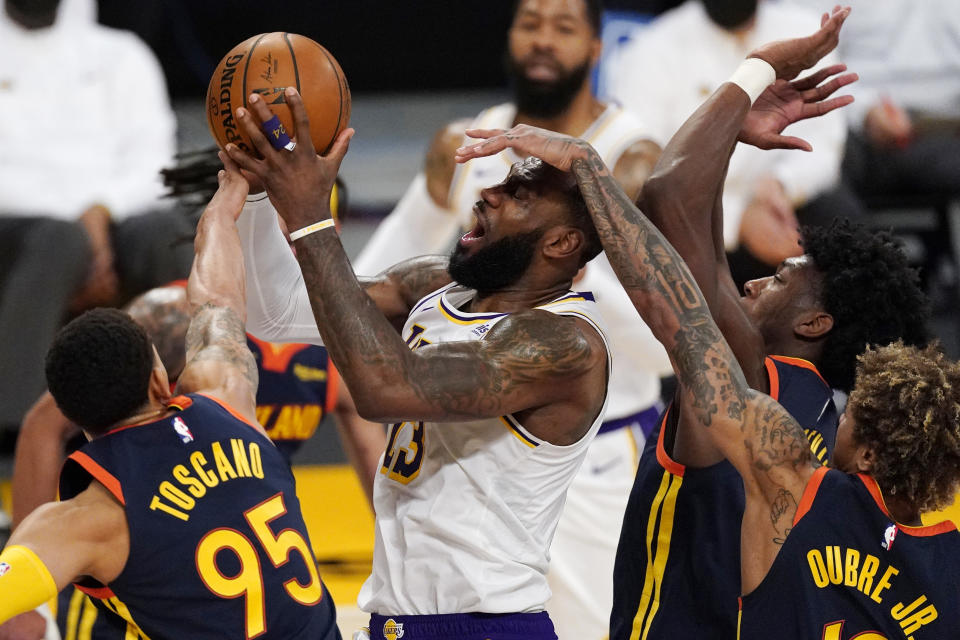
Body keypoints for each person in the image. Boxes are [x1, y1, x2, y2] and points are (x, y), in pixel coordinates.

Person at [458, 9, 960, 635]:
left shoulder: (753, 376)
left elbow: (670, 197)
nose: (754, 280)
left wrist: (754, 76)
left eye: (780, 279)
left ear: (813, 324)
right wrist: (731, 138)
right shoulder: (820, 423)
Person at [226, 83, 611, 639]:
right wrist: (261, 190)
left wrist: (311, 218)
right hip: (395, 620)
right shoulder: (436, 288)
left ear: (560, 243)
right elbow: (275, 313)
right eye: (500, 180)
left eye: (518, 195)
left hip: (484, 625)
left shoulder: (563, 345)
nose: (489, 194)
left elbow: (387, 389)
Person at [352, 2, 667, 634]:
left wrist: (546, 276)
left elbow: (665, 339)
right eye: (530, 23)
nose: (543, 41)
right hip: (462, 431)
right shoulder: (462, 144)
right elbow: (374, 276)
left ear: (597, 48)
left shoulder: (631, 161)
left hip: (596, 451)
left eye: (564, 26)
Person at [0, 168, 341, 639]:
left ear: (72, 417)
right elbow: (217, 297)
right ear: (162, 380)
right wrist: (226, 204)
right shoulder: (228, 400)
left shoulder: (81, 523)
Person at [0, 0, 192, 439]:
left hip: (111, 219)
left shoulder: (122, 54)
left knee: (165, 233)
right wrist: (85, 228)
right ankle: (15, 436)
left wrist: (100, 214)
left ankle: (194, 402)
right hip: (16, 230)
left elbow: (155, 163)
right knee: (58, 241)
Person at [607, 0, 864, 288]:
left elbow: (825, 143)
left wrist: (780, 184)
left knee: (841, 219)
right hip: (697, 219)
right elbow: (640, 178)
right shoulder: (651, 48)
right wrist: (737, 219)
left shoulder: (803, 28)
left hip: (782, 202)